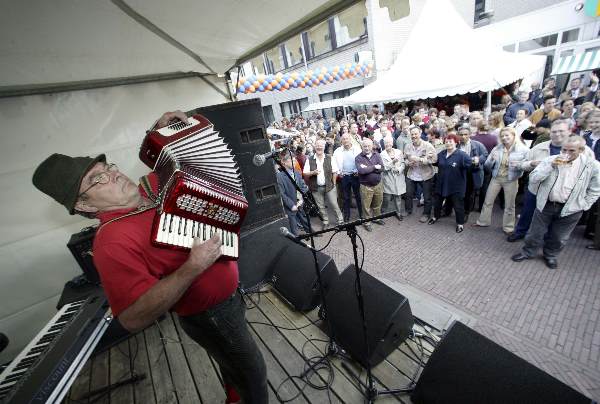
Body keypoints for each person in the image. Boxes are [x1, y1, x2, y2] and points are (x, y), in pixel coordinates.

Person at [31, 111, 267, 404]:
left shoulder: (152, 185)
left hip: (231, 295)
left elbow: (189, 159)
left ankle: (234, 396)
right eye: (97, 179)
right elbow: (131, 317)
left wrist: (170, 128)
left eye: (108, 167)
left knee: (234, 366)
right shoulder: (110, 242)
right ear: (83, 204)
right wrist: (192, 268)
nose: (113, 174)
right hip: (210, 315)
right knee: (254, 373)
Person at [511, 136, 600, 268]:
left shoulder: (592, 166)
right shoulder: (550, 160)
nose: (566, 154)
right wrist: (550, 166)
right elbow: (534, 178)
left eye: (571, 151)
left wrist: (584, 205)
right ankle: (528, 252)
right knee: (535, 232)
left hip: (572, 209)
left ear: (581, 150)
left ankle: (550, 255)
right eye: (564, 150)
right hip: (546, 204)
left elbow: (595, 189)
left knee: (559, 236)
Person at [475, 127, 529, 234]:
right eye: (502, 136)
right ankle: (483, 221)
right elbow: (487, 166)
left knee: (510, 205)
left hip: (511, 180)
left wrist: (518, 165)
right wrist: (491, 160)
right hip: (496, 178)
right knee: (488, 201)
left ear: (514, 136)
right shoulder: (497, 148)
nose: (504, 138)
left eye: (507, 135)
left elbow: (527, 166)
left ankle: (508, 227)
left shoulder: (524, 150)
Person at [428, 134, 472, 233]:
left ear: (456, 143)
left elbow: (471, 166)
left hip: (456, 186)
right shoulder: (442, 153)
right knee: (437, 203)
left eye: (450, 141)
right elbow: (436, 162)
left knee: (458, 206)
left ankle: (460, 223)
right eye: (446, 142)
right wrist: (431, 158)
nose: (448, 143)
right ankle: (435, 217)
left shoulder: (462, 155)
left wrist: (477, 162)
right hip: (441, 184)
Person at [303, 139, 344, 227]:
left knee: (334, 204)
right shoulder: (309, 159)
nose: (319, 147)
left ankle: (340, 221)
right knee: (320, 206)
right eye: (317, 145)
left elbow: (335, 171)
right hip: (316, 187)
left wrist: (333, 183)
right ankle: (326, 222)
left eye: (321, 145)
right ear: (314, 146)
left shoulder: (329, 157)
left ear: (324, 147)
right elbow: (305, 173)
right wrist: (313, 172)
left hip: (329, 186)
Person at [404, 126, 437, 222]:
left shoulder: (428, 146)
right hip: (411, 174)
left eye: (416, 134)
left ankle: (426, 214)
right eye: (412, 134)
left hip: (425, 175)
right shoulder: (408, 146)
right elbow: (404, 158)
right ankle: (408, 210)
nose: (414, 136)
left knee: (427, 197)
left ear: (420, 133)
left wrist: (420, 159)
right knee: (408, 194)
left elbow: (434, 159)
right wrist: (408, 163)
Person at [458, 125, 488, 220]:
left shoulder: (477, 144)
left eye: (466, 134)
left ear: (470, 134)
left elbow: (486, 155)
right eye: (461, 134)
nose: (463, 136)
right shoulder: (456, 145)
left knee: (469, 194)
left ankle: (466, 212)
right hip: (460, 172)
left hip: (472, 172)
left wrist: (478, 159)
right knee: (459, 193)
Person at [355, 138, 384, 231]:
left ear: (372, 146)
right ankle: (367, 222)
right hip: (366, 186)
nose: (367, 148)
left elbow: (382, 168)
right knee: (366, 206)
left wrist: (368, 168)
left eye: (368, 146)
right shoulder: (358, 158)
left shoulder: (377, 155)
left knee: (378, 203)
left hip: (378, 185)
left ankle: (376, 218)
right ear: (361, 146)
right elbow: (362, 171)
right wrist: (375, 167)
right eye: (365, 146)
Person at [332, 133, 363, 222]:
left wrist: (359, 171)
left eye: (347, 139)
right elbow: (334, 163)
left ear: (350, 139)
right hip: (344, 176)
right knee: (346, 197)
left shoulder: (357, 149)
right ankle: (347, 215)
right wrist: (338, 173)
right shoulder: (337, 151)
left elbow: (361, 161)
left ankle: (361, 214)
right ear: (341, 141)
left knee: (358, 196)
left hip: (355, 176)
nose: (345, 140)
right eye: (344, 139)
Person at [278, 152, 310, 236]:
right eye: (291, 160)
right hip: (291, 205)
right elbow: (282, 193)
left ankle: (310, 232)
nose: (294, 161)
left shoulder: (297, 172)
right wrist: (291, 205)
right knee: (293, 226)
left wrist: (303, 197)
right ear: (284, 162)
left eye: (295, 160)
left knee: (304, 219)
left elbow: (302, 187)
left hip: (300, 202)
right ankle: (295, 239)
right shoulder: (280, 176)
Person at [380, 135, 406, 221]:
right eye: (386, 143)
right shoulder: (382, 154)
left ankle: (398, 213)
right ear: (384, 144)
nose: (388, 144)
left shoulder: (398, 152)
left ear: (392, 143)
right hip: (388, 178)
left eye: (389, 142)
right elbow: (384, 168)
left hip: (398, 177)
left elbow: (403, 163)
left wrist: (399, 169)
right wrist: (392, 162)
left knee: (398, 196)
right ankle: (383, 212)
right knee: (386, 197)